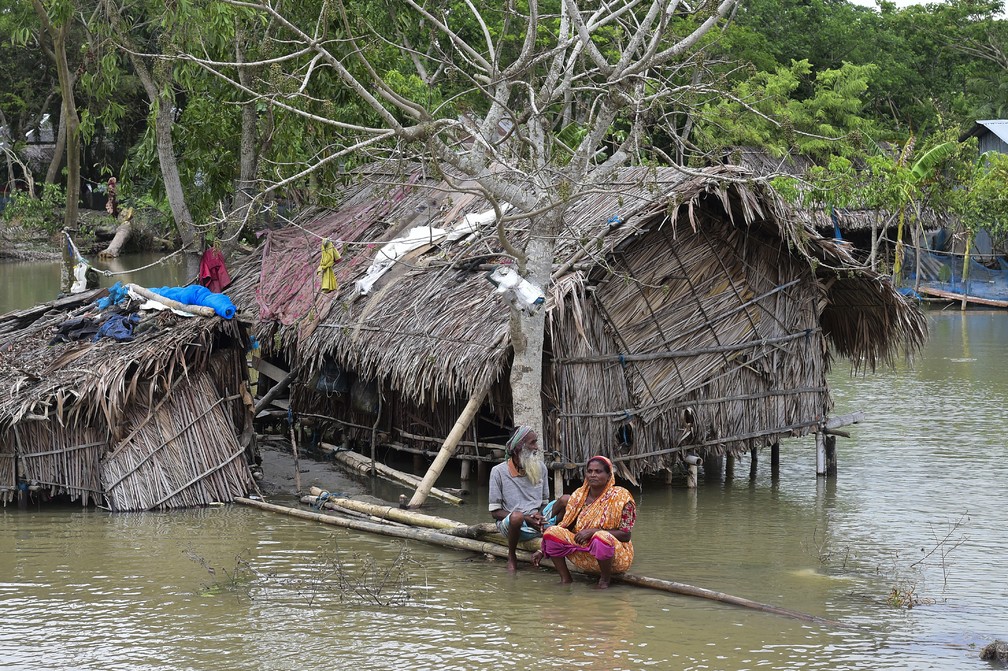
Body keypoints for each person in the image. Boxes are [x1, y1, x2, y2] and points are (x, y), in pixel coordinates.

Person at [539, 455, 635, 589]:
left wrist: (594, 531)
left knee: (600, 537)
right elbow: (566, 526)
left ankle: (604, 581)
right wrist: (542, 550)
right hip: (584, 553)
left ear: (609, 476)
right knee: (551, 532)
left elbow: (626, 535)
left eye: (598, 471)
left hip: (615, 558)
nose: (593, 475)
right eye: (589, 471)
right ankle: (565, 579)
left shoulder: (621, 497)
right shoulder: (579, 496)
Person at [489, 426, 567, 573]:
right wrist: (527, 518)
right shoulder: (498, 471)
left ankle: (555, 538)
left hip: (538, 521)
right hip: (514, 525)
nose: (536, 447)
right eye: (533, 443)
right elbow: (495, 512)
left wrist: (538, 516)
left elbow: (544, 503)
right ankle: (511, 555)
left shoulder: (541, 468)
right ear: (519, 447)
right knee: (517, 516)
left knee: (566, 500)